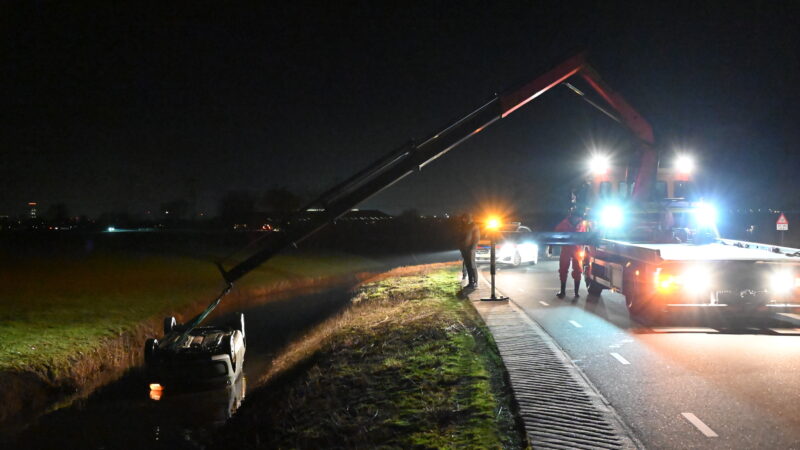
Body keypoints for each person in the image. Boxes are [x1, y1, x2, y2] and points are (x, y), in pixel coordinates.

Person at [555, 210, 587, 298]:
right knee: (563, 270)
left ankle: (576, 293)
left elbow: (584, 237)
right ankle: (562, 291)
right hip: (566, 249)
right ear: (572, 216)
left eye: (579, 218)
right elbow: (556, 233)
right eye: (577, 217)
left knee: (578, 270)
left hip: (577, 250)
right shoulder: (564, 224)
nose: (578, 219)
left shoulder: (581, 225)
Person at [458, 213, 480, 289]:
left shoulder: (474, 226)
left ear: (468, 218)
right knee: (468, 266)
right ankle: (471, 282)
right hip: (465, 249)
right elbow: (461, 237)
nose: (463, 220)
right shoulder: (465, 226)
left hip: (470, 249)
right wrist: (461, 247)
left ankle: (475, 282)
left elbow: (476, 239)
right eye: (463, 219)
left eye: (464, 218)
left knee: (472, 265)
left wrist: (472, 248)